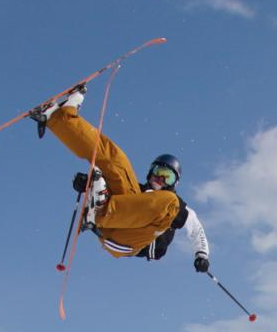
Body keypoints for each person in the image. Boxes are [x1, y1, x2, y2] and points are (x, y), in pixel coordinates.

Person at [30, 85, 209, 271]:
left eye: (167, 176)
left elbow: (196, 230)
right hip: (112, 218)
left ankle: (101, 211)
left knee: (170, 203)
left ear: (174, 182)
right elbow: (104, 182)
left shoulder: (174, 206)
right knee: (117, 160)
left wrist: (201, 255)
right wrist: (88, 184)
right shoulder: (137, 193)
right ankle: (58, 117)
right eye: (158, 172)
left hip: (129, 241)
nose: (160, 179)